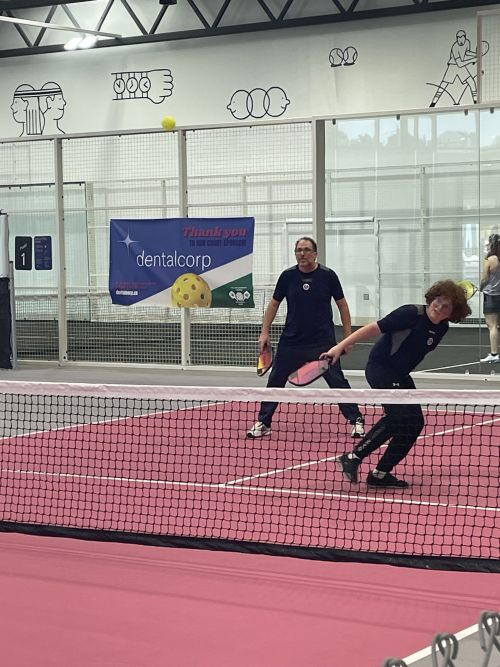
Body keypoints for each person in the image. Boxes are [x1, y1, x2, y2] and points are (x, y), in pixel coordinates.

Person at [322, 280, 471, 488]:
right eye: (438, 300)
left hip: (400, 375)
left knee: (415, 423)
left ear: (453, 313)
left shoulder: (442, 328)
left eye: (446, 306)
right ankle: (353, 457)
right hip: (381, 369)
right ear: (432, 298)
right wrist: (340, 346)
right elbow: (373, 328)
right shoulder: (410, 313)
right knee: (398, 417)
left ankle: (379, 474)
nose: (439, 307)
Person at [247, 236, 365, 439]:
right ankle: (264, 422)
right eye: (299, 250)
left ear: (315, 253)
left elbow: (343, 306)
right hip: (291, 342)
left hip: (322, 343)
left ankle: (356, 420)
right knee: (275, 380)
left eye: (306, 250)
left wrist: (348, 339)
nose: (302, 254)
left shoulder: (328, 276)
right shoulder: (287, 276)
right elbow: (274, 304)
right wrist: (264, 332)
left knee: (337, 380)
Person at [480, 234, 500, 363]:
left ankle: (494, 354)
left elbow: (485, 279)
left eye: (488, 243)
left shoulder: (489, 259)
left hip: (491, 295)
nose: (486, 245)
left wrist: (480, 287)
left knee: (492, 326)